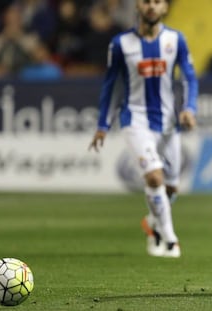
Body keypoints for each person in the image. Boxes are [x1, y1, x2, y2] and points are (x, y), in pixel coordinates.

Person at [88, 0, 198, 258]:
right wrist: (103, 124)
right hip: (134, 120)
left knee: (170, 188)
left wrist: (189, 108)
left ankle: (153, 221)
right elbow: (110, 85)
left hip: (168, 122)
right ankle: (169, 240)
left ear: (164, 8)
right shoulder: (120, 44)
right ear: (138, 6)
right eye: (146, 1)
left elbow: (190, 76)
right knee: (154, 177)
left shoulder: (175, 39)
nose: (151, 6)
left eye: (157, 2)